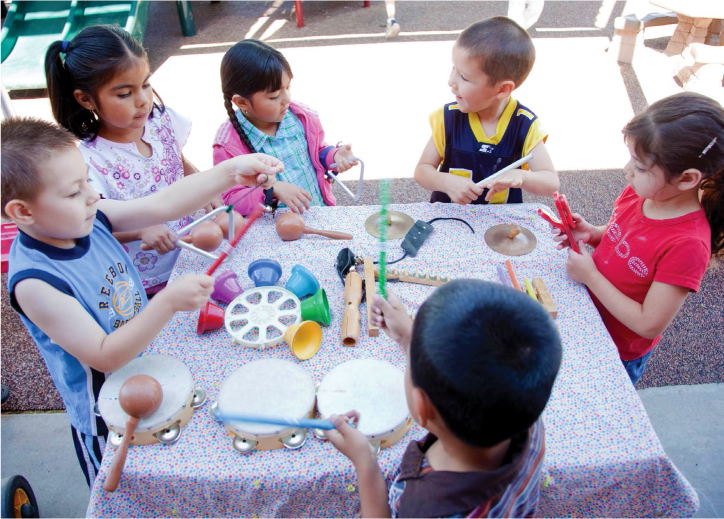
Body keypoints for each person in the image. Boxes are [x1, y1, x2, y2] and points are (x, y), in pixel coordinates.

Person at [1, 116, 280, 488]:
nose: (90, 195)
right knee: (126, 491)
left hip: (147, 364)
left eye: (87, 180)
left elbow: (161, 205)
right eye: (73, 192)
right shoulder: (36, 282)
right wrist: (165, 303)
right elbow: (104, 355)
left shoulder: (87, 217)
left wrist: (231, 172)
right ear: (23, 212)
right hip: (107, 414)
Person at [327, 280, 562, 518]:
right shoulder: (524, 411)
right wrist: (410, 339)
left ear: (421, 407)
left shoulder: (421, 506)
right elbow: (479, 369)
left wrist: (365, 462)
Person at [554, 92, 724, 385]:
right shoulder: (642, 192)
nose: (627, 171)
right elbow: (622, 236)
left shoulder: (688, 244)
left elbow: (648, 323)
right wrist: (593, 234)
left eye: (641, 166)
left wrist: (591, 277)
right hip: (588, 318)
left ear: (686, 179)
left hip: (617, 350)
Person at [45, 25, 219, 297]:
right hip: (145, 279)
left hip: (191, 255)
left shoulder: (163, 121)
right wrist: (140, 231)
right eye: (125, 94)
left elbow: (178, 161)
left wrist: (204, 184)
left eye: (146, 84)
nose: (143, 100)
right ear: (86, 99)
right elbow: (91, 228)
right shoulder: (88, 162)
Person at [414, 17, 558, 206]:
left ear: (502, 89)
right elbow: (422, 170)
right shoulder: (448, 118)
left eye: (464, 77)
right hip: (449, 223)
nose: (451, 81)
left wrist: (521, 176)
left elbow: (551, 182)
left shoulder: (524, 125)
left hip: (500, 232)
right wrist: (446, 182)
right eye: (453, 69)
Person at [212, 39, 358, 216]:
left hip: (318, 213)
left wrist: (334, 156)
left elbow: (317, 152)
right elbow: (231, 199)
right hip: (275, 231)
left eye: (288, 87)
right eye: (274, 96)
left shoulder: (301, 117)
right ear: (242, 102)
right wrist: (271, 190)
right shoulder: (228, 144)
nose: (287, 98)